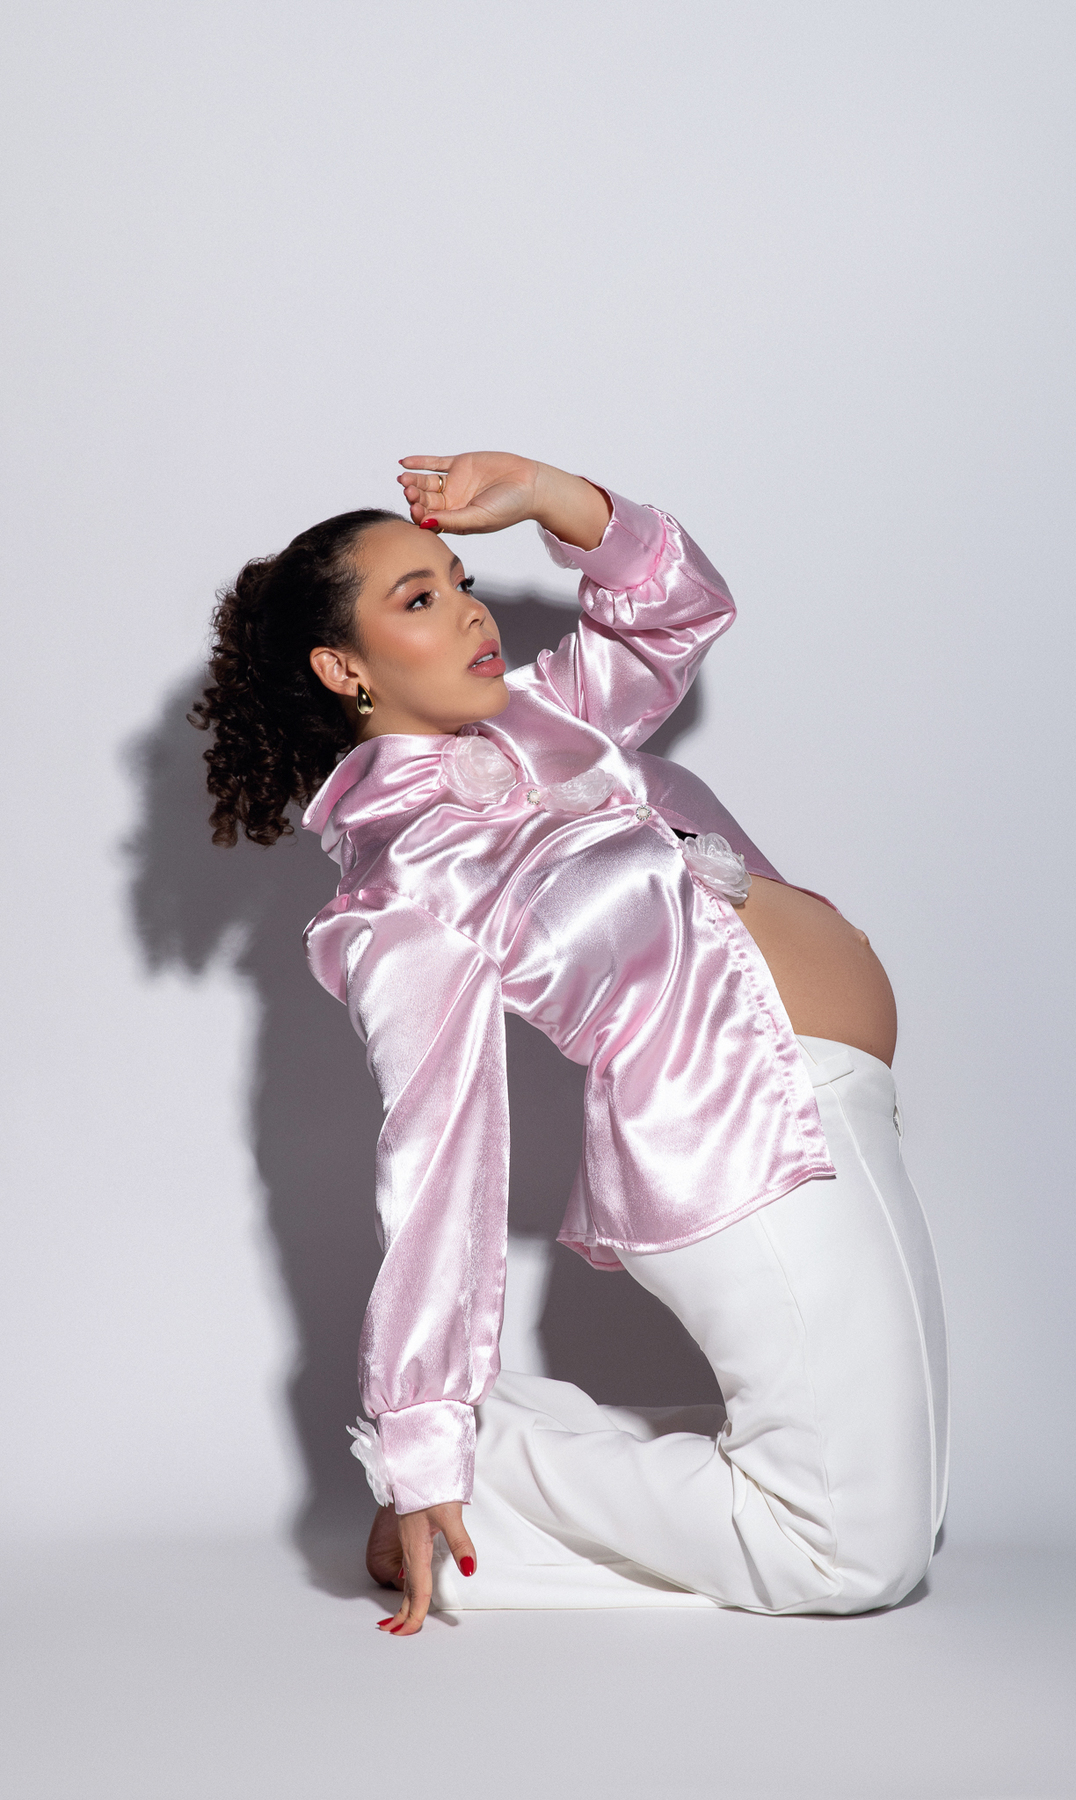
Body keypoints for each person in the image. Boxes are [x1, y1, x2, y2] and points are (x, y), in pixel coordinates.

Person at [193, 451, 949, 1636]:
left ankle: (496, 1470)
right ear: (344, 669)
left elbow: (675, 612)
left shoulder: (542, 722)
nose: (470, 611)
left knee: (907, 1510)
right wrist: (423, 1433)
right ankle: (460, 1475)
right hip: (743, 1150)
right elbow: (435, 1154)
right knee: (853, 1555)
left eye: (459, 581)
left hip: (835, 1110)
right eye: (419, 598)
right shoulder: (400, 891)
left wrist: (554, 498)